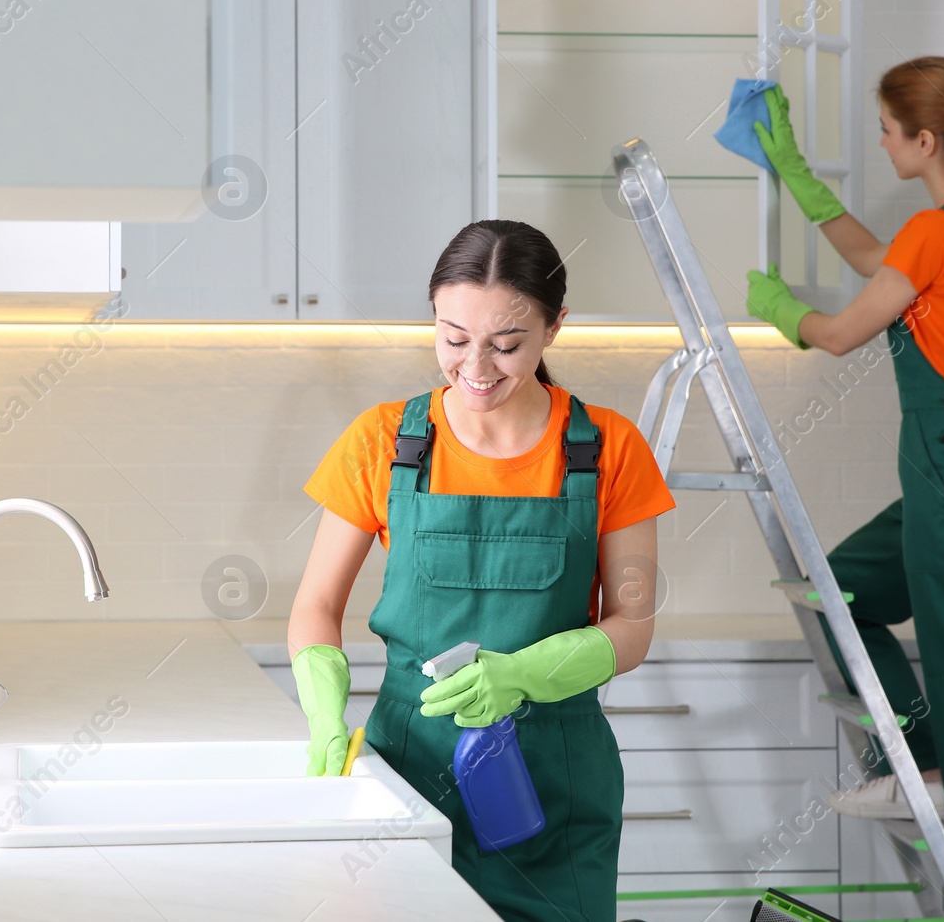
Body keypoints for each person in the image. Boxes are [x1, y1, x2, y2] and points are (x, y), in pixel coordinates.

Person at [287, 220, 677, 922]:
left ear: (555, 327)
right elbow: (317, 602)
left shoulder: (608, 448)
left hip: (554, 780)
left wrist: (522, 675)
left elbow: (633, 626)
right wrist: (322, 712)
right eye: (453, 338)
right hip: (406, 769)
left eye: (506, 344)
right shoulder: (384, 441)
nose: (476, 367)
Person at [744, 56, 944, 922]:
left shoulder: (942, 231)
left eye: (885, 129)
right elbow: (881, 260)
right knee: (837, 590)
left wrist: (780, 308)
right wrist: (796, 179)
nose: (879, 141)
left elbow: (840, 332)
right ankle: (926, 768)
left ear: (922, 140)